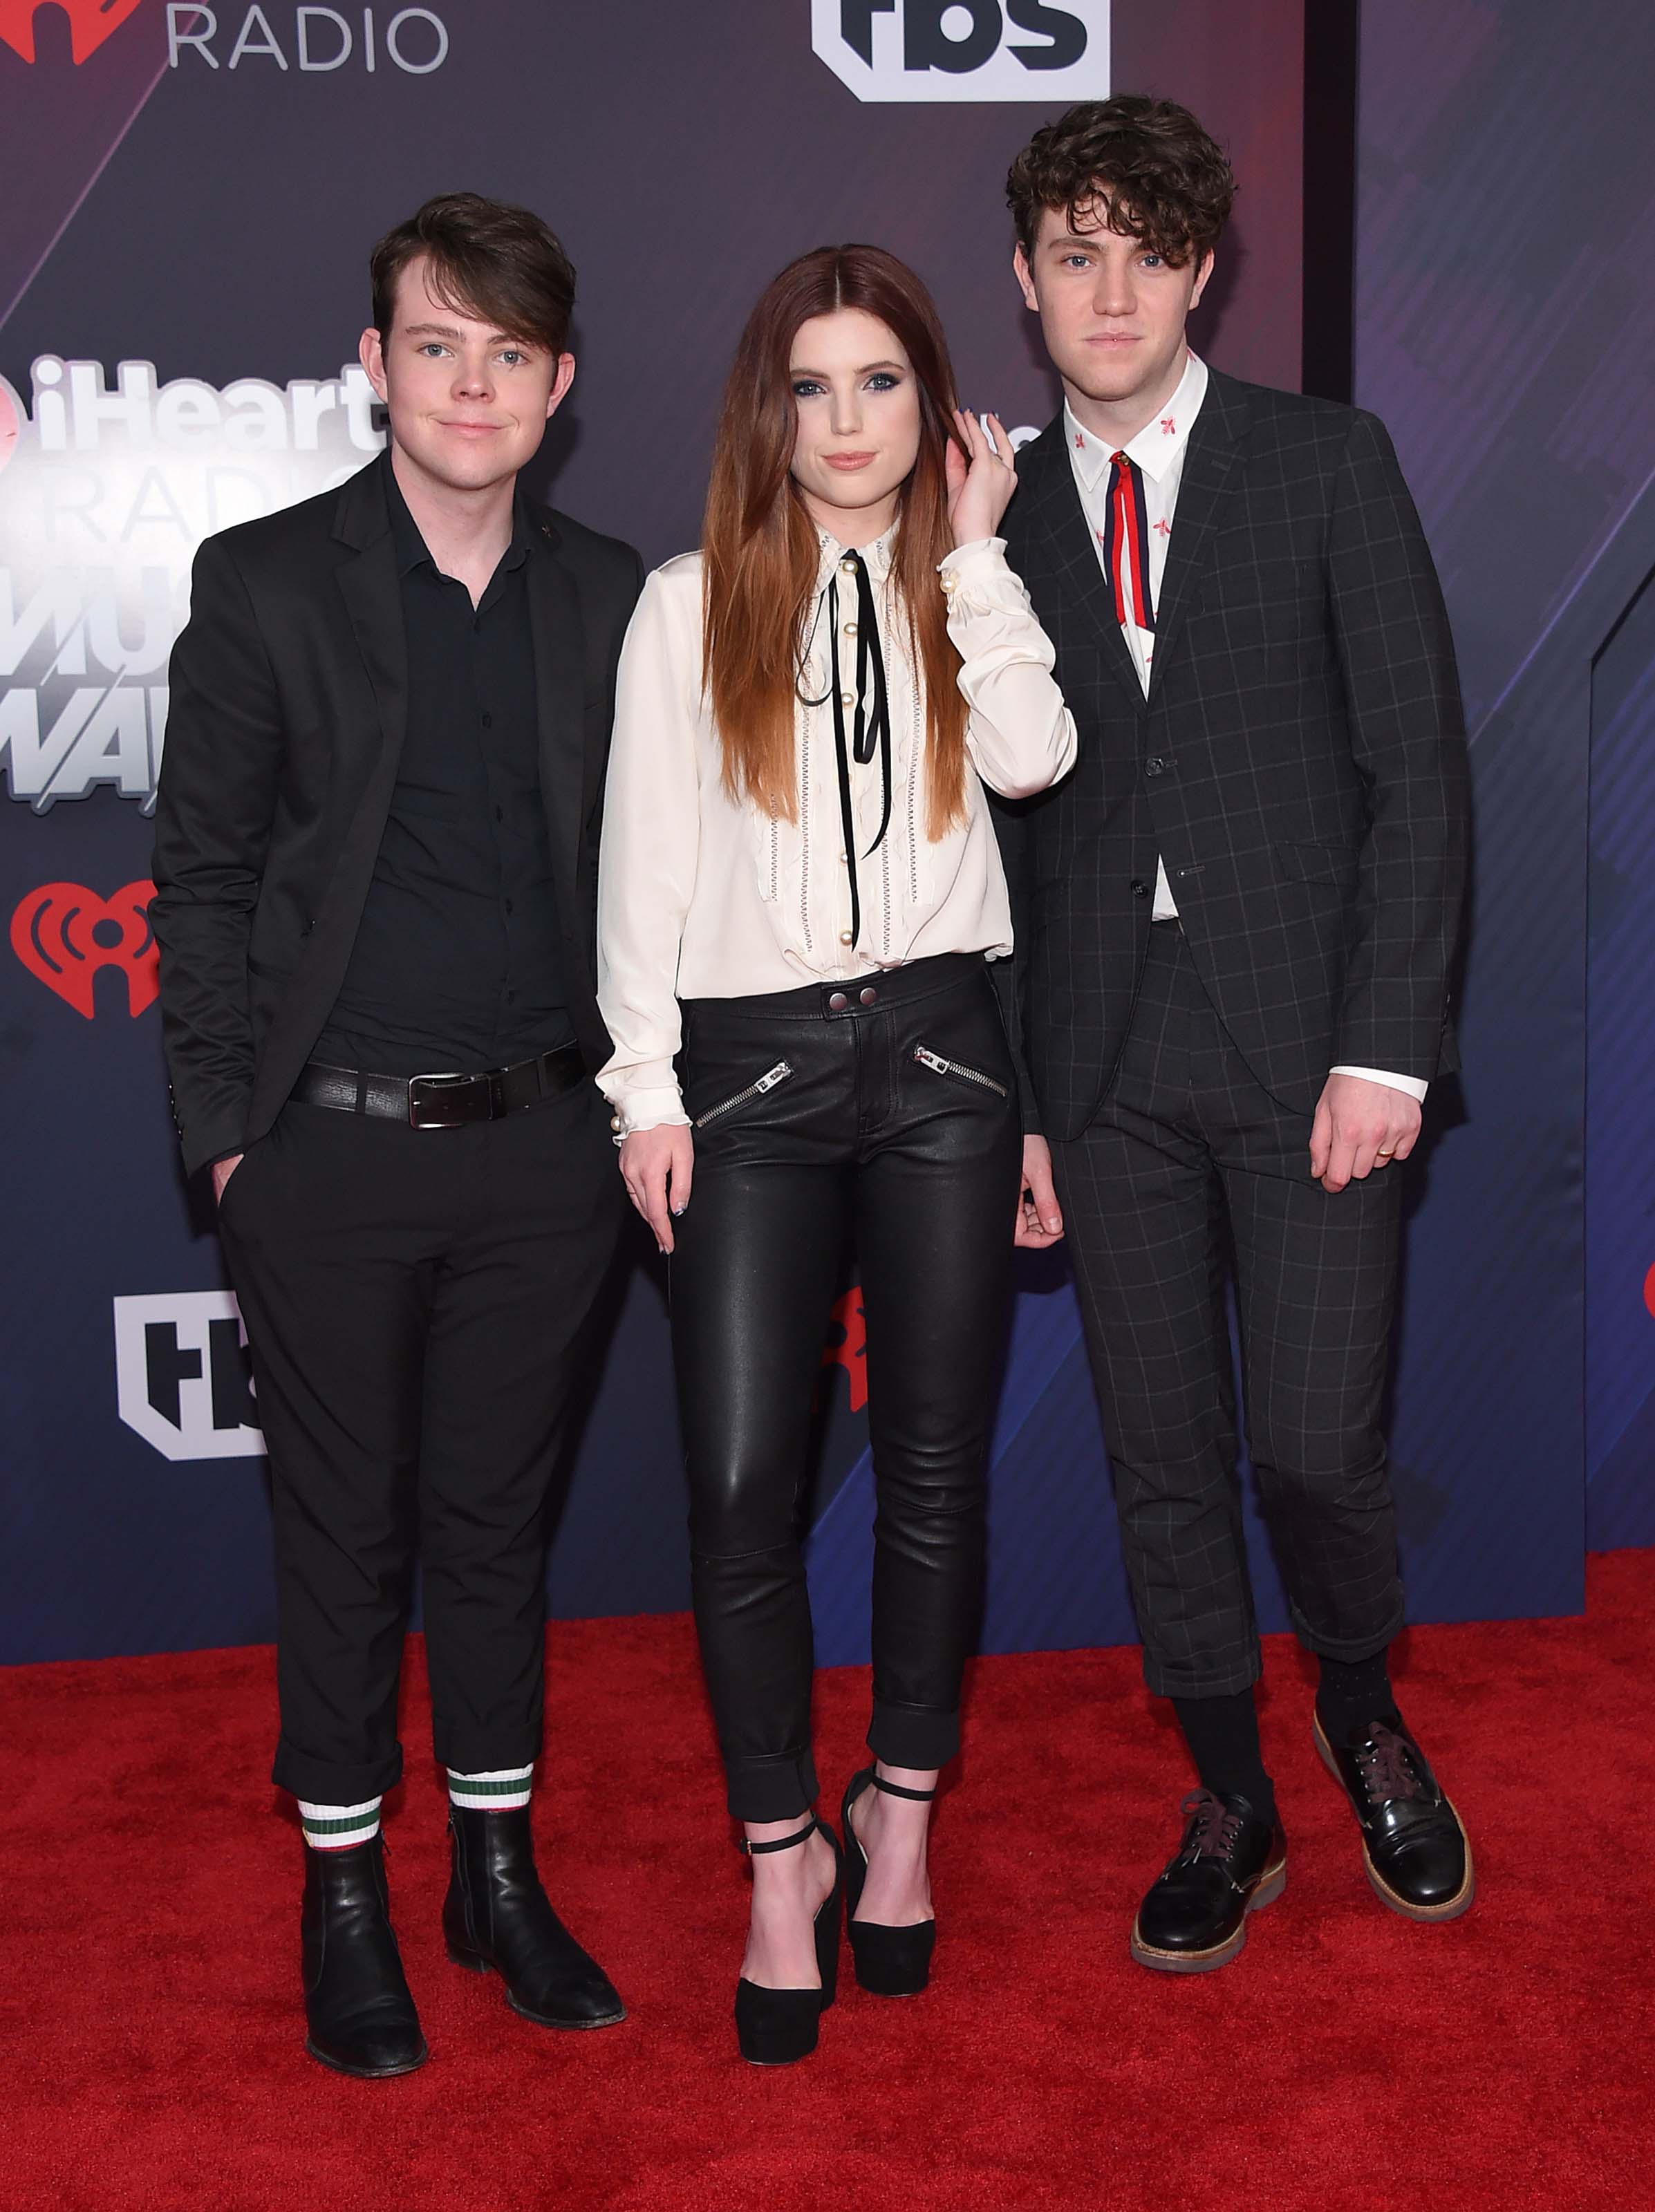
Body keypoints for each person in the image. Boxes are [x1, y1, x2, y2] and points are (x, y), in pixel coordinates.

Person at [151, 194, 642, 2077]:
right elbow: (199, 883)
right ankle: (344, 1895)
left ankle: (494, 1878)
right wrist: (223, 1137)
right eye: (434, 344)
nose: (469, 384)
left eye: (507, 353)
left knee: (498, 1536)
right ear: (374, 365)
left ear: (559, 386)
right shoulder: (264, 583)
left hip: (545, 1155)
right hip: (326, 1159)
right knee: (343, 1539)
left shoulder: (615, 597)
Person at [993, 97, 1475, 1974]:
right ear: (1026, 280)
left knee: (1311, 1450)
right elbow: (975, 843)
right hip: (1096, 1055)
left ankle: (1359, 1723)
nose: (1107, 289)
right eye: (1071, 252)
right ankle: (1228, 1794)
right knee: (1157, 1454)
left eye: (1143, 250)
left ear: (1199, 267)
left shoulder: (1321, 460)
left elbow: (1413, 775)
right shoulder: (987, 506)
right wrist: (1022, 1099)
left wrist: (1389, 1044)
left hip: (1307, 1047)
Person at [597, 244, 1076, 2063]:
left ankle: (901, 1822)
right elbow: (640, 866)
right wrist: (641, 1090)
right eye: (813, 386)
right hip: (745, 1078)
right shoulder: (682, 603)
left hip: (950, 1057)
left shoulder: (976, 591)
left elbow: (1031, 766)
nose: (848, 420)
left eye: (882, 382)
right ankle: (778, 1854)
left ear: (931, 410)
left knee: (938, 1472)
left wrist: (970, 555)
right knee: (740, 1489)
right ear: (766, 410)